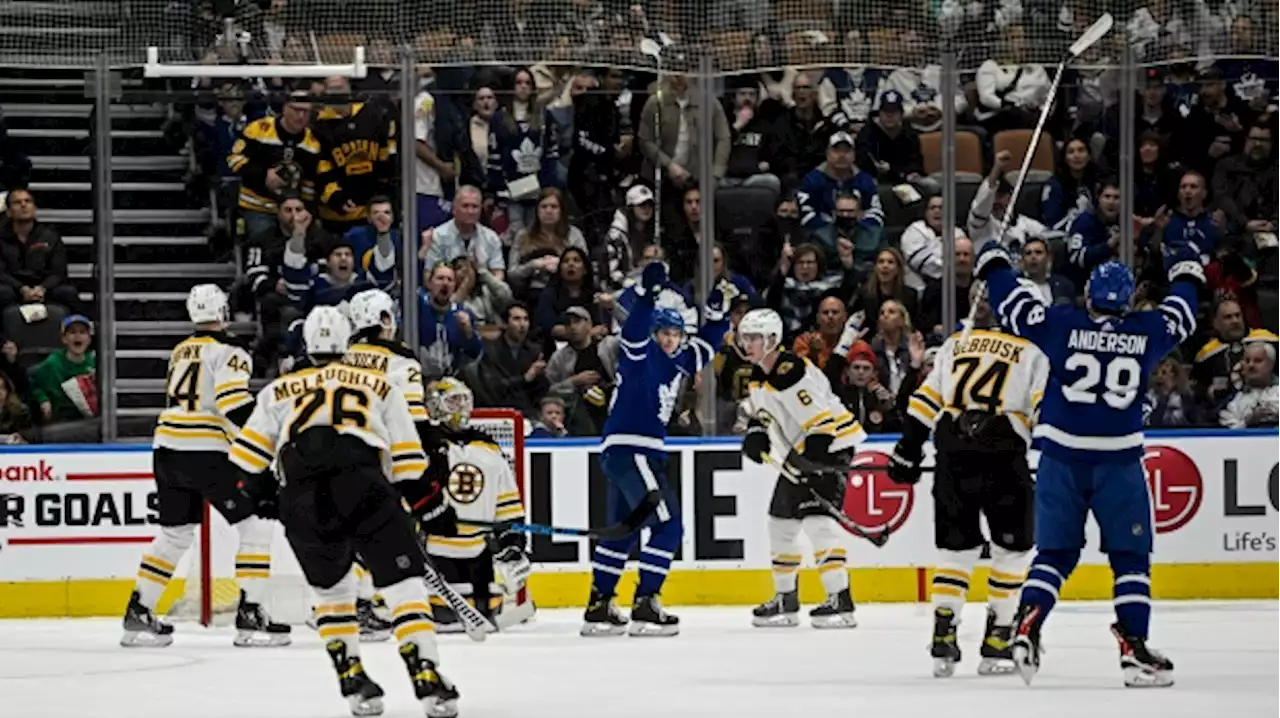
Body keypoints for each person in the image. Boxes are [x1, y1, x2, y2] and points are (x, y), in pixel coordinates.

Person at [972, 231, 1204, 688]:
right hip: (1118, 462)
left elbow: (1014, 305)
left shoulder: (1060, 324)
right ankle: (1134, 648)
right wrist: (1186, 271)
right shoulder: (1148, 331)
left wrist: (994, 264)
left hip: (1060, 456)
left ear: (1087, 295)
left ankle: (1027, 624)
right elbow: (1183, 311)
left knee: (1055, 553)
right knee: (1130, 558)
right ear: (1131, 298)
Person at [227, 306, 460, 717]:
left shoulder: (277, 389)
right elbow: (408, 462)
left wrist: (265, 496)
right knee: (403, 584)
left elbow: (243, 465)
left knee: (332, 592)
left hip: (301, 495)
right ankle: (425, 672)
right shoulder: (381, 383)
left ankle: (351, 677)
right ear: (347, 341)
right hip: (363, 484)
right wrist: (430, 504)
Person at [887, 281, 1049, 677]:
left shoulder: (956, 344)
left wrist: (908, 448)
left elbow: (924, 402)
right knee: (1012, 549)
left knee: (956, 550)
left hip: (953, 449)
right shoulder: (1034, 352)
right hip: (1003, 451)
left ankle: (944, 631)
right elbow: (1045, 409)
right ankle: (998, 640)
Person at [121, 285, 289, 648]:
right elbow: (232, 405)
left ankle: (139, 612)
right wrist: (269, 437)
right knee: (257, 524)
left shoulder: (181, 350)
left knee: (174, 534)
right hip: (206, 452)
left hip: (166, 448)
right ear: (224, 312)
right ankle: (252, 616)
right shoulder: (230, 351)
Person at [580, 261, 714, 637]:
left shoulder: (678, 361)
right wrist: (645, 293)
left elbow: (705, 348)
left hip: (632, 452)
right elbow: (636, 327)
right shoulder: (641, 355)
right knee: (670, 526)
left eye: (675, 333)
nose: (670, 339)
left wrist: (718, 316)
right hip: (632, 448)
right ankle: (646, 602)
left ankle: (600, 605)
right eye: (664, 332)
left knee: (623, 531)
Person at [736, 308, 866, 630]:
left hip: (830, 446)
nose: (747, 343)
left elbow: (821, 421)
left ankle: (840, 599)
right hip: (802, 451)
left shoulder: (789, 370)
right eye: (744, 337)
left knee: (818, 522)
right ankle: (785, 599)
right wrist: (755, 433)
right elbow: (762, 413)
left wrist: (814, 459)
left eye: (754, 337)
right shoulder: (758, 374)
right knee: (780, 521)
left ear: (772, 339)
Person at [421, 378, 534, 632]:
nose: (460, 408)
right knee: (440, 613)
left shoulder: (488, 446)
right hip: (436, 548)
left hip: (479, 549)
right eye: (453, 401)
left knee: (489, 605)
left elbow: (507, 504)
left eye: (464, 400)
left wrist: (513, 544)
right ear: (436, 406)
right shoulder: (423, 445)